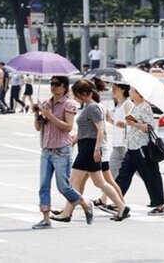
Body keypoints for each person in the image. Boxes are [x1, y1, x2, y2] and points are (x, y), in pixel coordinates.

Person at [50, 80, 129, 223]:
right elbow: (84, 131)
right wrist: (73, 143)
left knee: (74, 182)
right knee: (99, 182)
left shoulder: (93, 108)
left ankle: (67, 213)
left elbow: (100, 130)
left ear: (83, 94)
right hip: (87, 146)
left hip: (89, 148)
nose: (74, 98)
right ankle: (122, 207)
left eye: (76, 95)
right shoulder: (90, 107)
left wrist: (97, 149)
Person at [31, 76, 94, 229]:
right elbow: (39, 128)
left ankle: (85, 204)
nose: (53, 87)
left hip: (61, 150)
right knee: (43, 185)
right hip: (46, 149)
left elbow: (68, 127)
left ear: (65, 87)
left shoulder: (69, 104)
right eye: (52, 84)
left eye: (57, 84)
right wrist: (37, 114)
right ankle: (46, 219)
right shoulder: (46, 103)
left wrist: (50, 116)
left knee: (63, 186)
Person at [115, 86, 164, 216]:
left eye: (132, 90)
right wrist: (125, 123)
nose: (130, 92)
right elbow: (133, 122)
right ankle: (117, 202)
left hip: (142, 147)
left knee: (150, 175)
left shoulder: (145, 107)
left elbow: (150, 127)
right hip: (132, 147)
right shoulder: (135, 106)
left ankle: (159, 205)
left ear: (138, 93)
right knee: (123, 175)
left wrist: (135, 124)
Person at [95, 82, 132, 212]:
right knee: (111, 174)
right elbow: (116, 123)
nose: (113, 90)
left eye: (115, 88)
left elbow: (131, 121)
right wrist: (109, 119)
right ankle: (105, 199)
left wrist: (125, 123)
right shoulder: (119, 105)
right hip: (118, 144)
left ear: (122, 90)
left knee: (111, 174)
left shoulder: (128, 104)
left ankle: (113, 202)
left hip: (124, 145)